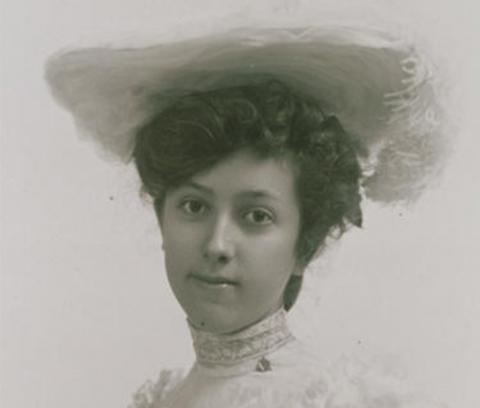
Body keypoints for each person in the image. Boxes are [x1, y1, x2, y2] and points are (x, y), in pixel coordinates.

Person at [45, 25, 448, 408]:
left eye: (256, 215)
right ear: (162, 218)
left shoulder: (333, 400)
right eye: (194, 207)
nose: (217, 245)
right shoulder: (165, 399)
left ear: (305, 245)